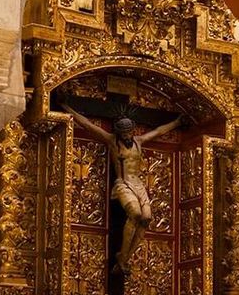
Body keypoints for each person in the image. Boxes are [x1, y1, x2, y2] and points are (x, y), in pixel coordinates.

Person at [63, 106, 183, 272]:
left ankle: (124, 257)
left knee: (146, 218)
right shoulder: (113, 141)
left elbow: (158, 132)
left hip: (138, 184)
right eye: (124, 133)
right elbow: (89, 125)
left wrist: (176, 123)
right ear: (119, 132)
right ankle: (122, 258)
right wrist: (67, 108)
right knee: (136, 213)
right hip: (123, 183)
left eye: (129, 132)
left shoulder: (138, 142)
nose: (127, 135)